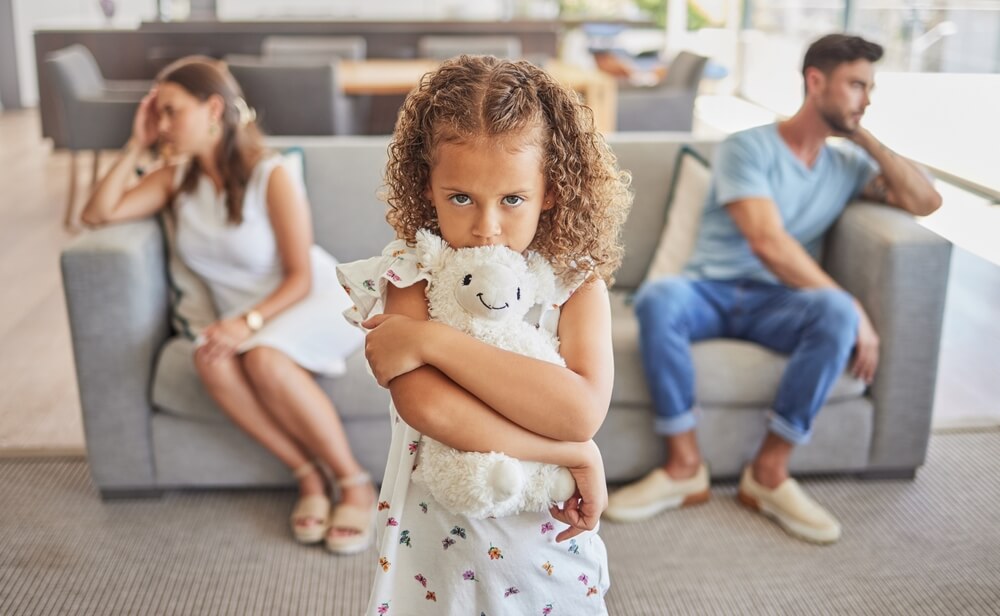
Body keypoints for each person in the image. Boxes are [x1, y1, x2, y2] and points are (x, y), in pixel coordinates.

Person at [605, 34, 942, 544]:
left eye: (869, 88)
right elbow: (766, 241)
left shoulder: (847, 166)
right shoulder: (749, 147)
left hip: (775, 305)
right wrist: (855, 305)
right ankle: (683, 468)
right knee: (658, 299)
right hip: (709, 291)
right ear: (815, 82)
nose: (865, 98)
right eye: (855, 85)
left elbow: (926, 200)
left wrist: (864, 137)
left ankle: (768, 474)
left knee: (830, 313)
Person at [335, 55, 631, 614]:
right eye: (461, 197)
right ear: (428, 187)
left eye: (512, 200)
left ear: (552, 191)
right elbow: (428, 407)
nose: (486, 226)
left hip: (548, 557)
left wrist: (428, 342)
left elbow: (578, 413)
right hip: (434, 558)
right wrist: (575, 456)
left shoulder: (575, 287)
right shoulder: (411, 271)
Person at [80, 57, 375, 554]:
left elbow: (302, 276)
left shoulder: (270, 173)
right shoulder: (176, 179)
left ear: (212, 108)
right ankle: (307, 476)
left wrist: (247, 323)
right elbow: (97, 213)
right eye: (160, 115)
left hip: (314, 299)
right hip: (252, 316)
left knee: (262, 357)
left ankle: (353, 483)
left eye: (171, 111)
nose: (164, 123)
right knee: (208, 359)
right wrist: (137, 143)